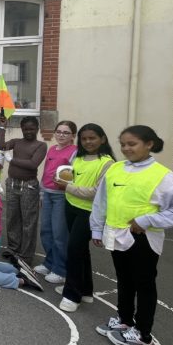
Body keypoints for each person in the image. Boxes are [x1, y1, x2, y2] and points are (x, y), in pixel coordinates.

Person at [91, 125, 173, 345]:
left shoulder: (163, 176)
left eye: (132, 144)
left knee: (144, 284)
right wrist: (97, 229)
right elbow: (102, 202)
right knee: (124, 279)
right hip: (117, 235)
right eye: (123, 144)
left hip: (144, 239)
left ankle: (142, 334)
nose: (127, 148)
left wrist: (147, 221)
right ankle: (125, 320)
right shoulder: (115, 169)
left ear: (149, 145)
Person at [53, 123, 115, 312]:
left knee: (74, 250)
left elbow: (96, 192)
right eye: (84, 138)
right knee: (80, 251)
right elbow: (71, 177)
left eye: (92, 138)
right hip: (71, 206)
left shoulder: (107, 162)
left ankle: (72, 295)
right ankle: (86, 290)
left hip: (89, 212)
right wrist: (64, 182)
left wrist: (67, 187)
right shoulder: (77, 157)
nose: (88, 142)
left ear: (102, 139)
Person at [0, 115, 47, 266]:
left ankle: (26, 256)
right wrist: (2, 128)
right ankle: (13, 249)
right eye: (25, 129)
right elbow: (0, 146)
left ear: (37, 129)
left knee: (28, 222)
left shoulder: (41, 145)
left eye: (32, 128)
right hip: (12, 184)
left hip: (29, 186)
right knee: (12, 218)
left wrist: (11, 160)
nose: (28, 131)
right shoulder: (16, 142)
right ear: (22, 129)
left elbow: (33, 164)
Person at [36, 120, 78, 285]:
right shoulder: (52, 149)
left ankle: (61, 269)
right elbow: (46, 171)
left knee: (59, 234)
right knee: (46, 231)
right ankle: (50, 262)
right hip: (47, 193)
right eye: (59, 131)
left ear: (72, 136)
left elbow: (74, 175)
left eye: (66, 132)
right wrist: (41, 193)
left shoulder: (75, 152)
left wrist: (67, 186)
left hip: (61, 196)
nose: (61, 135)